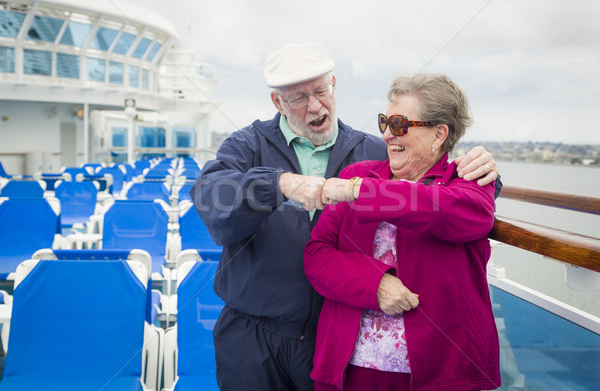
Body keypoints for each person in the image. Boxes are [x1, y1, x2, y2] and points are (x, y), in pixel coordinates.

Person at [190, 43, 499, 391]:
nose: (315, 106)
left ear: (334, 84)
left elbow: (436, 186)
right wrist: (280, 184)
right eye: (298, 98)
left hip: (326, 337)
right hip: (253, 336)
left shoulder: (371, 153)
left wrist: (485, 174)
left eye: (321, 91)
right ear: (277, 102)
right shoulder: (248, 145)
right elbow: (211, 199)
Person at [303, 72, 501, 391]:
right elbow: (317, 256)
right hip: (349, 370)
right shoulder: (358, 175)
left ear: (438, 134)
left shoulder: (467, 182)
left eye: (398, 125)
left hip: (441, 375)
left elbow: (460, 212)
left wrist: (359, 192)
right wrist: (374, 282)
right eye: (385, 122)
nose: (386, 135)